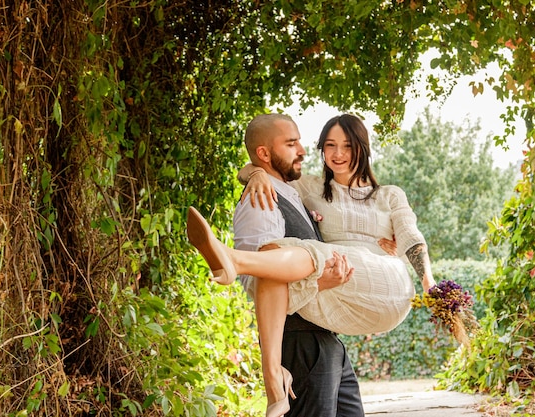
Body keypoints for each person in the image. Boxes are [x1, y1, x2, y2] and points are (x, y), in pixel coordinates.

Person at [186, 114, 435, 416]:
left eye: (348, 145)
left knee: (284, 254)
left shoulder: (307, 193)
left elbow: (411, 234)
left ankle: (233, 260)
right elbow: (262, 280)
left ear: (363, 147)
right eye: (329, 145)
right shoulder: (284, 193)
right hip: (303, 340)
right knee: (275, 253)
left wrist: (428, 283)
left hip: (334, 330)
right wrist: (255, 174)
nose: (337, 154)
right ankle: (235, 263)